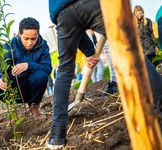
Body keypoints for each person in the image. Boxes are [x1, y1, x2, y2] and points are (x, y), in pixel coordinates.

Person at [47, 0, 162, 149]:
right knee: (131, 49)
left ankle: (56, 136)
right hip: (92, 3)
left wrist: (89, 53)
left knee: (64, 71)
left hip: (61, 12)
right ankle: (160, 101)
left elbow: (76, 20)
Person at [0, 17, 52, 144]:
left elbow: (48, 68)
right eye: (26, 38)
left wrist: (29, 65)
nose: (30, 42)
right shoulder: (9, 46)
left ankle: (34, 106)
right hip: (10, 91)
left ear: (38, 35)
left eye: (33, 38)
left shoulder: (43, 46)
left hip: (29, 92)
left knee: (41, 75)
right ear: (19, 34)